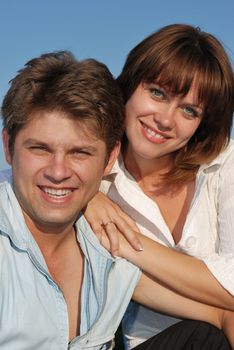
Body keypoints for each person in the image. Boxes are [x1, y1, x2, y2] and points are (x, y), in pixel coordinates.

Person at [0, 50, 232, 350]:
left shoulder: (107, 248)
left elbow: (222, 313)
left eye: (80, 153)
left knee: (206, 338)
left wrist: (125, 240)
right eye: (40, 149)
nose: (58, 172)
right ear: (9, 147)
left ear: (109, 158)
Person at [83, 23, 234, 349]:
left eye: (188, 110)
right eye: (157, 93)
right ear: (129, 87)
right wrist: (84, 197)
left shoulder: (223, 164)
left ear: (202, 123)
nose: (165, 120)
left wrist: (129, 244)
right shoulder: (95, 175)